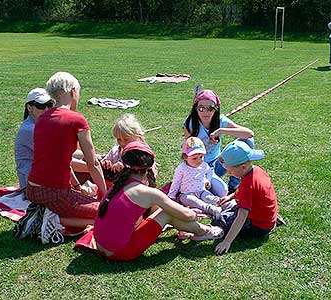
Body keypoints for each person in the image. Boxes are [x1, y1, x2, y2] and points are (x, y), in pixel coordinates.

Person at [93, 141, 224, 261]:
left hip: (101, 246)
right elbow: (187, 215)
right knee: (167, 212)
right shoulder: (147, 192)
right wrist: (194, 215)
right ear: (148, 168)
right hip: (120, 252)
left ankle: (200, 231)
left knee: (165, 210)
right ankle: (204, 231)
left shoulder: (117, 185)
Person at [26, 71, 107, 230]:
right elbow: (94, 163)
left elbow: (59, 161)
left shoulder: (42, 119)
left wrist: (77, 187)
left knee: (82, 203)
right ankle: (51, 218)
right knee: (108, 212)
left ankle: (47, 212)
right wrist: (105, 196)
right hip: (56, 194)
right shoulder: (76, 119)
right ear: (73, 91)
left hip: (32, 190)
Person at [212, 140, 278, 255]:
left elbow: (242, 216)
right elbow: (245, 191)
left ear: (242, 167)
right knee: (231, 208)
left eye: (230, 170)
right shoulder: (256, 171)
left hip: (258, 226)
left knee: (218, 219)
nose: (229, 173)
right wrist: (231, 197)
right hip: (267, 219)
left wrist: (227, 242)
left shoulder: (249, 185)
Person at [183, 89, 254, 195]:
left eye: (210, 108)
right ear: (196, 109)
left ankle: (234, 184)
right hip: (201, 166)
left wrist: (221, 130)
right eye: (201, 108)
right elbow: (188, 154)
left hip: (219, 162)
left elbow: (249, 134)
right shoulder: (190, 124)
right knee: (221, 191)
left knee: (247, 141)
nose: (205, 112)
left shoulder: (220, 120)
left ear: (216, 109)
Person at [168, 137, 226, 215]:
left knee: (210, 198)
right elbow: (176, 182)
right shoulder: (182, 168)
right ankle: (211, 209)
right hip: (187, 193)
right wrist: (171, 196)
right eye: (194, 158)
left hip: (201, 191)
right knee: (190, 200)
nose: (199, 160)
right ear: (185, 157)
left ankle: (225, 204)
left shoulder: (204, 165)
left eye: (201, 157)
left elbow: (209, 172)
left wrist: (207, 179)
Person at [14, 88, 54, 192]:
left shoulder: (43, 125)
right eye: (41, 106)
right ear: (29, 108)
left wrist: (96, 157)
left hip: (44, 177)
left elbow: (66, 152)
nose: (46, 109)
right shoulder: (30, 130)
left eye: (49, 105)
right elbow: (59, 157)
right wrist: (92, 165)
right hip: (33, 186)